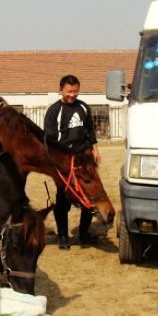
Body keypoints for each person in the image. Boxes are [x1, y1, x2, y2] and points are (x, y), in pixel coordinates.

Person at [44, 74, 101, 250]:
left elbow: (90, 131)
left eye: (75, 91)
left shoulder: (83, 107)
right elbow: (50, 139)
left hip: (84, 156)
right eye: (69, 91)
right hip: (64, 160)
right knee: (63, 200)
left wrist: (95, 149)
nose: (72, 95)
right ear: (61, 89)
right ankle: (63, 237)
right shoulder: (54, 111)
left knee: (89, 197)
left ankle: (84, 234)